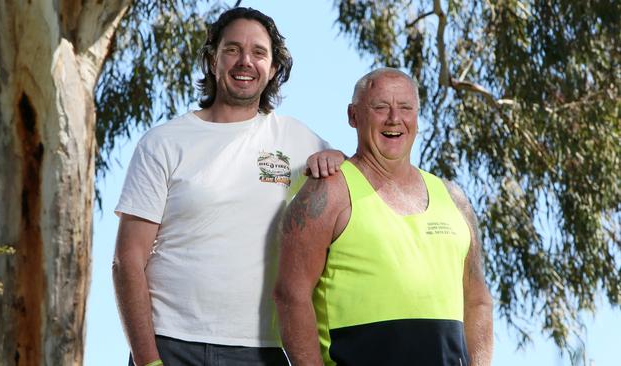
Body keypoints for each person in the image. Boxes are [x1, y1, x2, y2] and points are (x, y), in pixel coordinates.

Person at [112, 7, 343, 366]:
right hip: (171, 344)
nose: (245, 61)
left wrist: (335, 161)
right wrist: (148, 359)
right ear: (212, 60)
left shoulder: (298, 139)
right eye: (232, 49)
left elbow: (349, 183)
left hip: (262, 350)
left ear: (274, 69)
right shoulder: (163, 142)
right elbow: (127, 259)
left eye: (258, 53)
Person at [274, 68, 494, 365]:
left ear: (417, 117)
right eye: (380, 107)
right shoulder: (327, 193)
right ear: (353, 116)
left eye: (405, 108)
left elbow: (478, 301)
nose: (394, 119)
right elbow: (291, 296)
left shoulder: (454, 200)